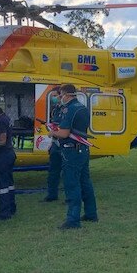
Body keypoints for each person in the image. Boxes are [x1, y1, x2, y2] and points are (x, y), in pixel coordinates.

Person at [48, 84, 98, 229]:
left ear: (67, 94)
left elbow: (63, 133)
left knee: (72, 184)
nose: (60, 98)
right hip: (83, 150)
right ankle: (91, 213)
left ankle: (73, 220)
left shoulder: (69, 109)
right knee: (85, 182)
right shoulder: (82, 108)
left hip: (71, 151)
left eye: (61, 95)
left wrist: (52, 133)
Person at [42, 85, 63, 202]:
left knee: (68, 173)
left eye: (55, 96)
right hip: (55, 144)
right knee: (53, 171)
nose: (53, 98)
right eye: (52, 96)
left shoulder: (67, 109)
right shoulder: (55, 109)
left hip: (65, 145)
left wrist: (54, 132)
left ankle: (71, 197)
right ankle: (52, 195)